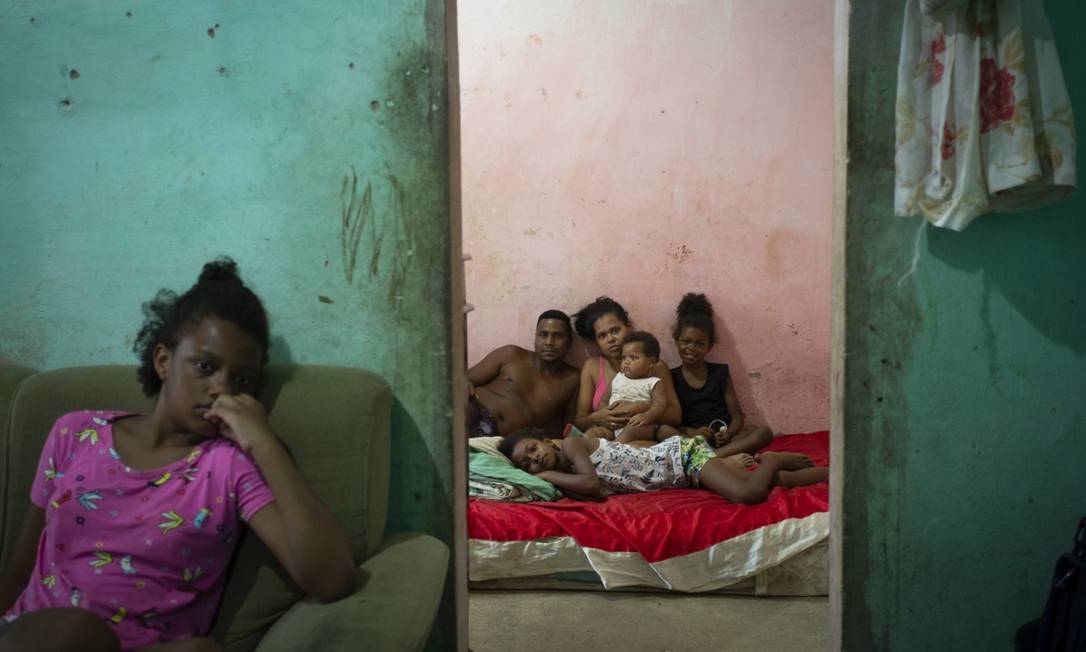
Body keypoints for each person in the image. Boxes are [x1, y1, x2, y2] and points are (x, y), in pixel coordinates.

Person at [0, 258, 355, 652]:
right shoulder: (75, 433)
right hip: (40, 638)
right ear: (164, 360)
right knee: (74, 633)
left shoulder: (227, 466)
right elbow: (18, 569)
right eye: (205, 366)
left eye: (242, 380)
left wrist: (265, 443)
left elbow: (332, 580)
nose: (221, 388)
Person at [498, 428, 828, 504]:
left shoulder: (571, 445)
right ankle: (838, 474)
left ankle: (769, 459)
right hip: (680, 475)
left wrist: (545, 474)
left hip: (681, 458)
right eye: (526, 464)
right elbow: (597, 492)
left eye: (532, 449)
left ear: (544, 439)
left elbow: (590, 484)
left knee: (747, 495)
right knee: (780, 483)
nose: (534, 460)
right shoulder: (566, 475)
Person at [671, 292, 773, 459]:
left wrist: (728, 434)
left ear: (710, 346)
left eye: (700, 344)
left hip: (723, 441)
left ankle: (711, 459)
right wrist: (693, 432)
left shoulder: (719, 373)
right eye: (686, 341)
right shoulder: (670, 376)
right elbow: (672, 423)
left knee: (764, 432)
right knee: (663, 430)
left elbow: (737, 415)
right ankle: (716, 459)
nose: (691, 348)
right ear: (676, 341)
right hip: (692, 441)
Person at [572, 297, 682, 436]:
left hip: (645, 438)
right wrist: (597, 418)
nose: (610, 339)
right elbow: (580, 421)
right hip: (607, 438)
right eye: (602, 336)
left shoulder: (655, 366)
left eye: (615, 330)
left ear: (628, 325)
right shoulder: (592, 367)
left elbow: (675, 416)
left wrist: (641, 410)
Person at [467, 310, 580, 438]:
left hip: (501, 443)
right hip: (473, 411)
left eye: (558, 336)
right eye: (543, 335)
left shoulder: (572, 379)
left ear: (569, 342)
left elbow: (567, 428)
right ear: (536, 337)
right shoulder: (511, 354)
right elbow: (461, 380)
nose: (549, 342)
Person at [582, 331, 681, 445]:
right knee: (593, 432)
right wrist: (606, 414)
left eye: (633, 358)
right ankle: (584, 445)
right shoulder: (618, 378)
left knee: (632, 430)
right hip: (613, 427)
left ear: (651, 362)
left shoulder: (653, 382)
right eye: (624, 358)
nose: (627, 362)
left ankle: (612, 449)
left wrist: (647, 416)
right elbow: (604, 400)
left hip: (639, 425)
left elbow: (660, 404)